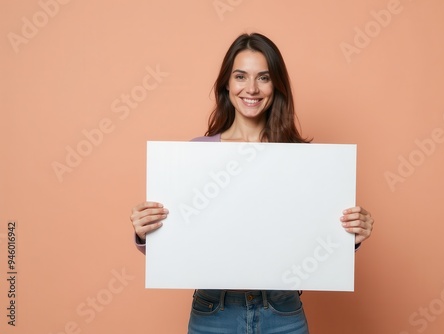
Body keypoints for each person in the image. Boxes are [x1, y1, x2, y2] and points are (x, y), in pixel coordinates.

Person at [130, 32, 374, 334]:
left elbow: (316, 241)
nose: (251, 89)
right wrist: (145, 232)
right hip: (213, 313)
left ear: (276, 86)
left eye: (263, 78)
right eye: (241, 76)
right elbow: (178, 244)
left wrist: (351, 235)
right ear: (227, 84)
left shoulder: (303, 161)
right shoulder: (195, 155)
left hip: (282, 312)